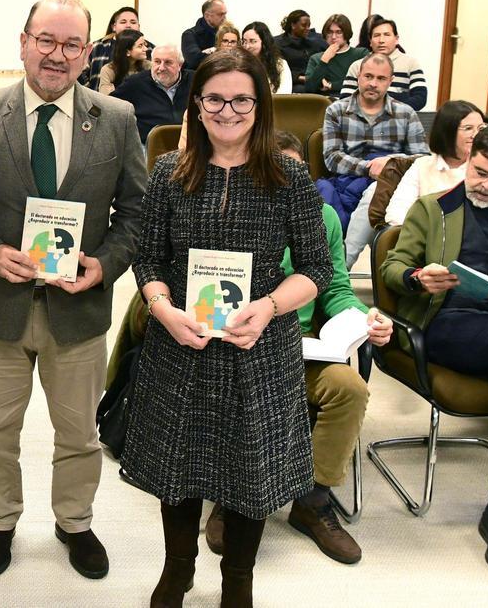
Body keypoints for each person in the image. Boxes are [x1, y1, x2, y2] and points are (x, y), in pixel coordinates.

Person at [0, 0, 146, 580]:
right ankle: (0, 518)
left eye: (71, 45)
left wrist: (104, 265)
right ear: (24, 42)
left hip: (78, 313)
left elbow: (135, 214)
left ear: (88, 52)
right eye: (46, 41)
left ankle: (74, 520)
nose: (57, 55)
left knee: (78, 430)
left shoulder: (118, 119)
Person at [126, 48, 333, 608]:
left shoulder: (287, 173)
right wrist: (161, 307)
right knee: (180, 467)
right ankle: (178, 570)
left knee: (250, 473)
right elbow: (148, 259)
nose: (228, 110)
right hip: (182, 344)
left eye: (242, 98)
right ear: (197, 103)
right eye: (215, 98)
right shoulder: (171, 169)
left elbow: (315, 267)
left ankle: (238, 580)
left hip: (258, 348)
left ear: (261, 105)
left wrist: (268, 306)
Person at [201, 130, 391, 567]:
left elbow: (337, 287)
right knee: (239, 385)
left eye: (296, 173)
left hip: (304, 348)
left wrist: (364, 318)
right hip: (241, 344)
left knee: (350, 389)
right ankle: (233, 495)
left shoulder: (322, 217)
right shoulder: (232, 213)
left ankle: (313, 500)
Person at [380, 125, 488, 379]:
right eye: (480, 173)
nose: (486, 186)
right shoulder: (433, 209)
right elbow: (392, 267)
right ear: (468, 159)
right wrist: (418, 277)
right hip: (443, 318)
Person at [318, 53, 428, 268]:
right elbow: (331, 157)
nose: (373, 84)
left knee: (377, 190)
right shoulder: (336, 110)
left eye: (380, 79)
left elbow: (423, 158)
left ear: (390, 81)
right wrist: (368, 167)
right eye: (368, 76)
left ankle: (342, 266)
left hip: (389, 185)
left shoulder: (406, 114)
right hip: (346, 182)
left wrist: (390, 162)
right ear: (359, 76)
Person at [384, 101, 486, 226]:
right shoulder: (422, 165)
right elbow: (396, 212)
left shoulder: (487, 168)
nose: (476, 135)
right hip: (423, 236)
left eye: (481, 128)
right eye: (468, 128)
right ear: (447, 131)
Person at [110, 44, 193, 143]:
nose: (161, 68)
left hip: (189, 142)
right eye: (157, 62)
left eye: (168, 62)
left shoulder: (196, 80)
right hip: (149, 145)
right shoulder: (135, 83)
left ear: (180, 65)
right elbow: (110, 106)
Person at [340, 17, 427, 110]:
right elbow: (346, 98)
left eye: (387, 35)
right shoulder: (357, 66)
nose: (381, 40)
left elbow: (420, 98)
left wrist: (393, 112)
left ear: (396, 39)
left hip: (399, 120)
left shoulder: (410, 64)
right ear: (370, 41)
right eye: (376, 35)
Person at [81, 6, 152, 88]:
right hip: (98, 98)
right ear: (114, 27)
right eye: (123, 22)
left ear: (138, 26)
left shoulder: (150, 49)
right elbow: (80, 72)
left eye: (133, 22)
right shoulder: (96, 47)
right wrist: (89, 94)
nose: (128, 25)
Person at [304, 14, 367, 98]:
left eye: (339, 32)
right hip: (324, 103)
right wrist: (324, 61)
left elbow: (363, 83)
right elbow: (309, 88)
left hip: (352, 100)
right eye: (329, 32)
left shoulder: (360, 54)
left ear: (346, 34)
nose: (333, 37)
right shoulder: (316, 58)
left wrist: (332, 85)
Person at [274, 10, 327, 93]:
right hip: (293, 83)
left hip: (314, 80)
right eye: (304, 25)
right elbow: (278, 70)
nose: (307, 29)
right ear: (293, 25)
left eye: (309, 26)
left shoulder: (314, 42)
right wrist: (303, 78)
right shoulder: (278, 44)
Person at [241, 21, 291, 94]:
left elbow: (285, 93)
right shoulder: (240, 63)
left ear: (264, 42)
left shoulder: (280, 64)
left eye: (253, 41)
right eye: (244, 41)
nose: (247, 46)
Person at [180, 0, 227, 71]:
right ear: (207, 16)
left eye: (225, 14)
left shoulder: (227, 33)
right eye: (220, 14)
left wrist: (209, 53)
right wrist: (220, 53)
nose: (225, 17)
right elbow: (195, 61)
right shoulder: (189, 35)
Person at [98, 29, 149, 95]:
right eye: (140, 46)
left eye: (145, 45)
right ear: (127, 52)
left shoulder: (148, 66)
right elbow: (106, 99)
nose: (146, 49)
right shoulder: (108, 70)